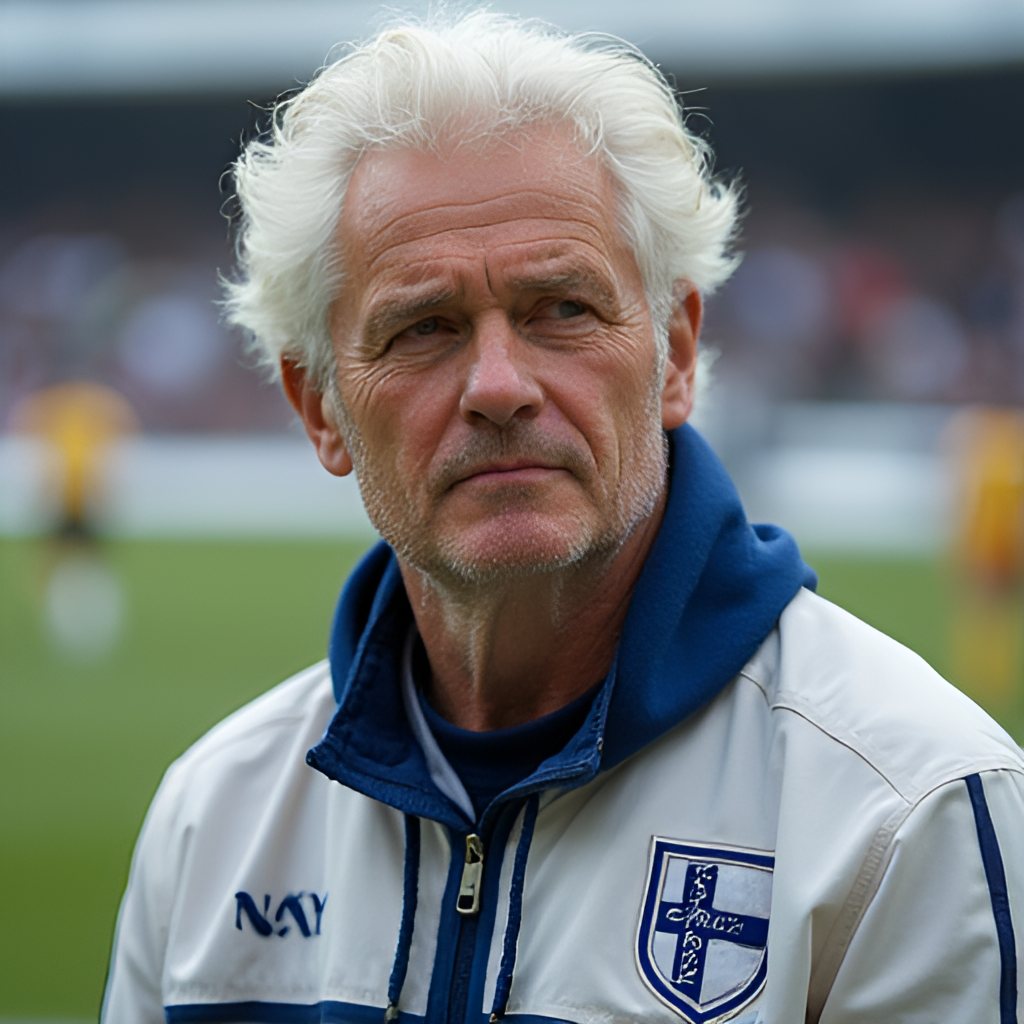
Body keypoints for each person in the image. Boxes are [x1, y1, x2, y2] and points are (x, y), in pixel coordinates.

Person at [102, 13, 1024, 1024]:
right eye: (424, 326)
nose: (499, 386)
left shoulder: (907, 808)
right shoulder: (212, 821)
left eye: (563, 309)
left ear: (675, 355)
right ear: (320, 406)